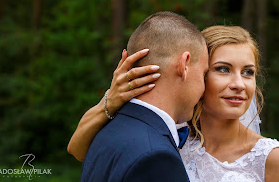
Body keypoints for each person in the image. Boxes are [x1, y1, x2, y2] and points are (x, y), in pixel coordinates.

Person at [69, 25, 279, 182]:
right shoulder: (170, 138)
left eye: (248, 72)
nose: (239, 84)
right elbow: (80, 150)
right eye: (223, 69)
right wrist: (110, 100)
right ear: (196, 73)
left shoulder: (273, 158)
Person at [79, 11, 209, 182]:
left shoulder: (104, 131)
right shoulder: (157, 157)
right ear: (184, 65)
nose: (204, 87)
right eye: (203, 73)